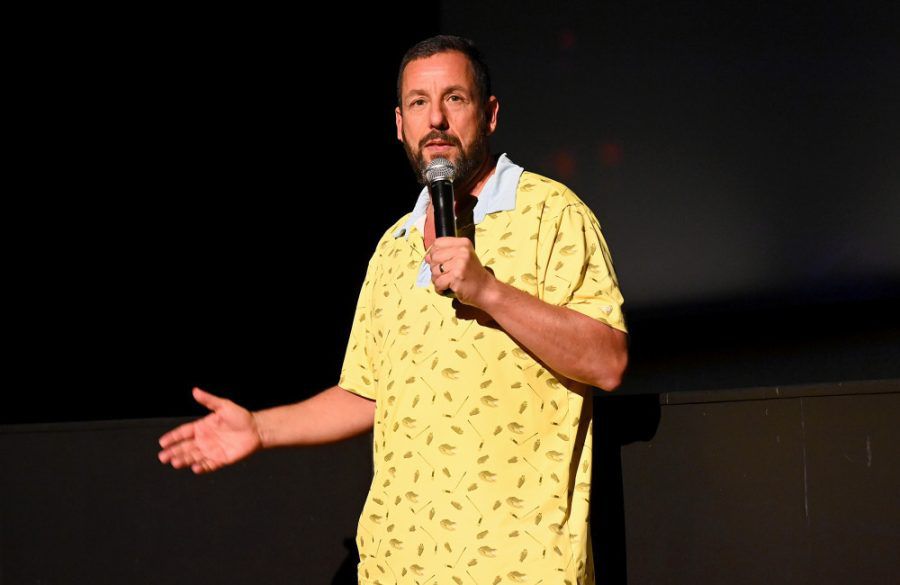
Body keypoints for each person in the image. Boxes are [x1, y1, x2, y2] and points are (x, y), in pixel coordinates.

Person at [158, 35, 628, 585]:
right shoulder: (394, 244)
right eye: (418, 103)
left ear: (490, 114)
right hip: (396, 567)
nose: (436, 120)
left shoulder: (551, 213)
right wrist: (260, 429)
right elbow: (366, 392)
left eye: (455, 99)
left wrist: (489, 291)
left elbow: (608, 361)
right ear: (399, 124)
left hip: (521, 566)